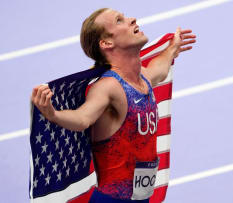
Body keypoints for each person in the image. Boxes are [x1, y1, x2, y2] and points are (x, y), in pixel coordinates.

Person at [31, 8, 196, 203]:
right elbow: (83, 118)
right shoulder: (108, 87)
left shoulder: (143, 79)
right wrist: (53, 114)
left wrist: (171, 50)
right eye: (120, 20)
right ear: (107, 43)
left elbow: (158, 69)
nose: (132, 19)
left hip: (141, 198)